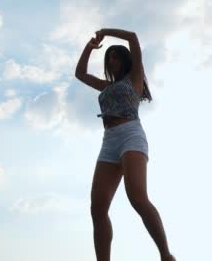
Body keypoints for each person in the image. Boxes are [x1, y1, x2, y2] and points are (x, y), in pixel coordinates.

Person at [75, 28, 175, 261]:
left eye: (116, 56)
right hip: (109, 141)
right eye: (109, 58)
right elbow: (80, 73)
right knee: (97, 209)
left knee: (137, 197)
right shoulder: (105, 86)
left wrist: (104, 32)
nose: (112, 60)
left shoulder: (135, 78)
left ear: (125, 60)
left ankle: (166, 255)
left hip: (131, 135)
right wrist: (89, 48)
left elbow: (132, 38)